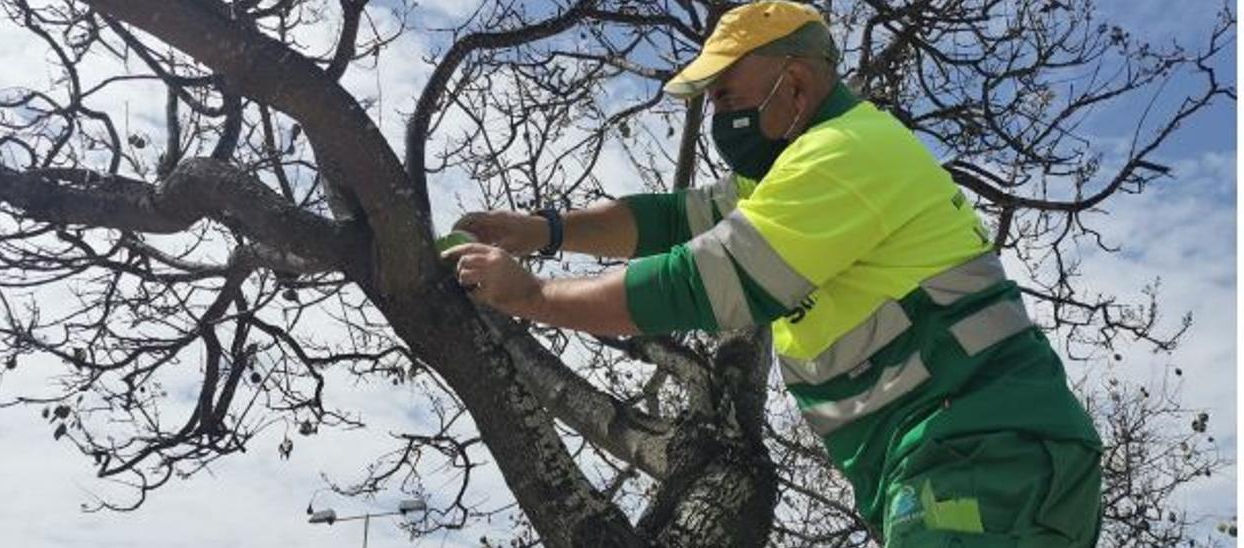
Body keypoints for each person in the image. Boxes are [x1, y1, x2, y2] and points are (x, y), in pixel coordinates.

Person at [441, 2, 1102, 546]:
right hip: (967, 461)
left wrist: (532, 294)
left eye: (726, 90)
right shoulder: (798, 167)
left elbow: (696, 281)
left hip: (984, 459)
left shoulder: (841, 157)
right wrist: (547, 230)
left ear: (797, 82)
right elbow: (676, 218)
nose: (716, 110)